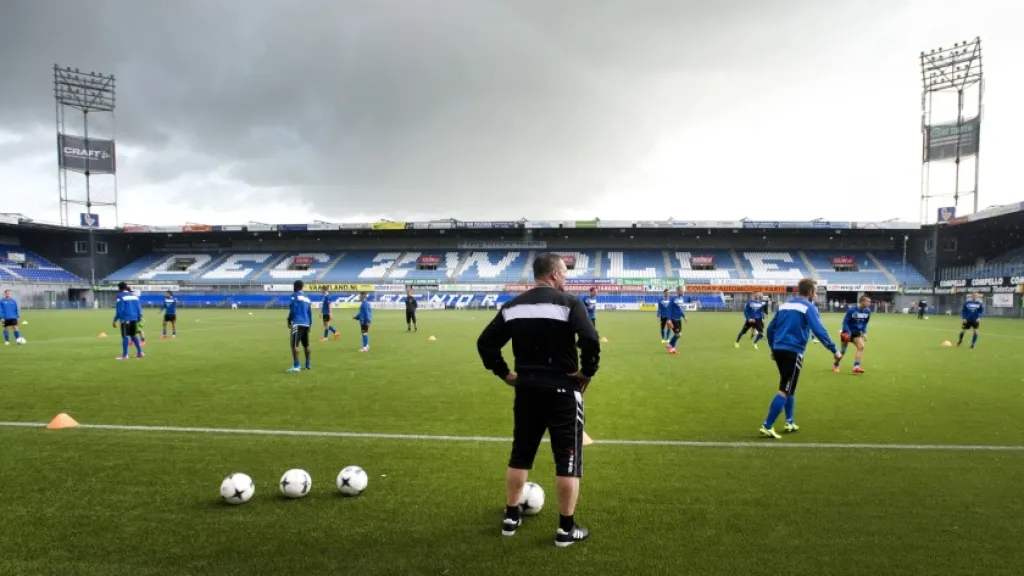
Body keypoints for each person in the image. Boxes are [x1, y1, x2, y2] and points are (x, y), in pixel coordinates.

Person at [476, 253, 600, 548]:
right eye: (566, 273)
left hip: (527, 389)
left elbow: (485, 343)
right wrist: (587, 372)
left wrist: (504, 373)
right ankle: (565, 530)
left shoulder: (513, 306)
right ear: (555, 274)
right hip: (563, 391)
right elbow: (590, 340)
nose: (567, 278)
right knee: (567, 460)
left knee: (520, 454)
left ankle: (510, 517)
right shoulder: (570, 303)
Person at [759, 278, 841, 439]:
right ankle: (767, 426)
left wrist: (773, 348)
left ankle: (789, 421)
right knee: (785, 389)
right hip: (793, 351)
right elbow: (819, 330)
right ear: (810, 292)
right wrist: (834, 349)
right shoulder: (808, 307)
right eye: (816, 292)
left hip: (779, 350)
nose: (816, 295)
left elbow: (770, 329)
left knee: (790, 387)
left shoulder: (784, 305)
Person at [835, 294, 872, 374]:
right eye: (868, 301)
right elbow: (845, 322)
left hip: (857, 333)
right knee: (843, 351)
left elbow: (865, 323)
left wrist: (864, 332)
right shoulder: (852, 310)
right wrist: (848, 332)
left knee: (861, 347)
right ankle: (836, 364)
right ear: (862, 302)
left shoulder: (867, 311)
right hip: (846, 332)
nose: (869, 303)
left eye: (870, 302)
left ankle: (856, 366)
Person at [112, 282, 144, 360]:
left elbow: (119, 311)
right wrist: (139, 318)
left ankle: (125, 355)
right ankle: (140, 353)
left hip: (125, 319)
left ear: (119, 288)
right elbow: (139, 309)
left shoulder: (120, 297)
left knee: (125, 336)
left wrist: (115, 320)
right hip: (134, 319)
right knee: (133, 335)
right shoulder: (134, 296)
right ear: (126, 287)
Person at [286, 280, 312, 372]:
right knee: (306, 345)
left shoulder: (294, 295)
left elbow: (293, 309)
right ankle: (308, 364)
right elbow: (310, 313)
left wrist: (289, 320)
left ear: (295, 287)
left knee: (294, 345)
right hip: (306, 323)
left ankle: (296, 366)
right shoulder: (307, 299)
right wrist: (310, 325)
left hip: (297, 322)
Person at [665, 286, 688, 355]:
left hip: (678, 319)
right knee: (677, 334)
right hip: (673, 319)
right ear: (677, 291)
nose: (683, 291)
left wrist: (684, 316)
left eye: (683, 290)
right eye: (681, 290)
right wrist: (668, 319)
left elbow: (680, 309)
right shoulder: (672, 299)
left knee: (678, 334)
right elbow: (668, 309)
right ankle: (669, 346)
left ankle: (673, 349)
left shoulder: (682, 299)